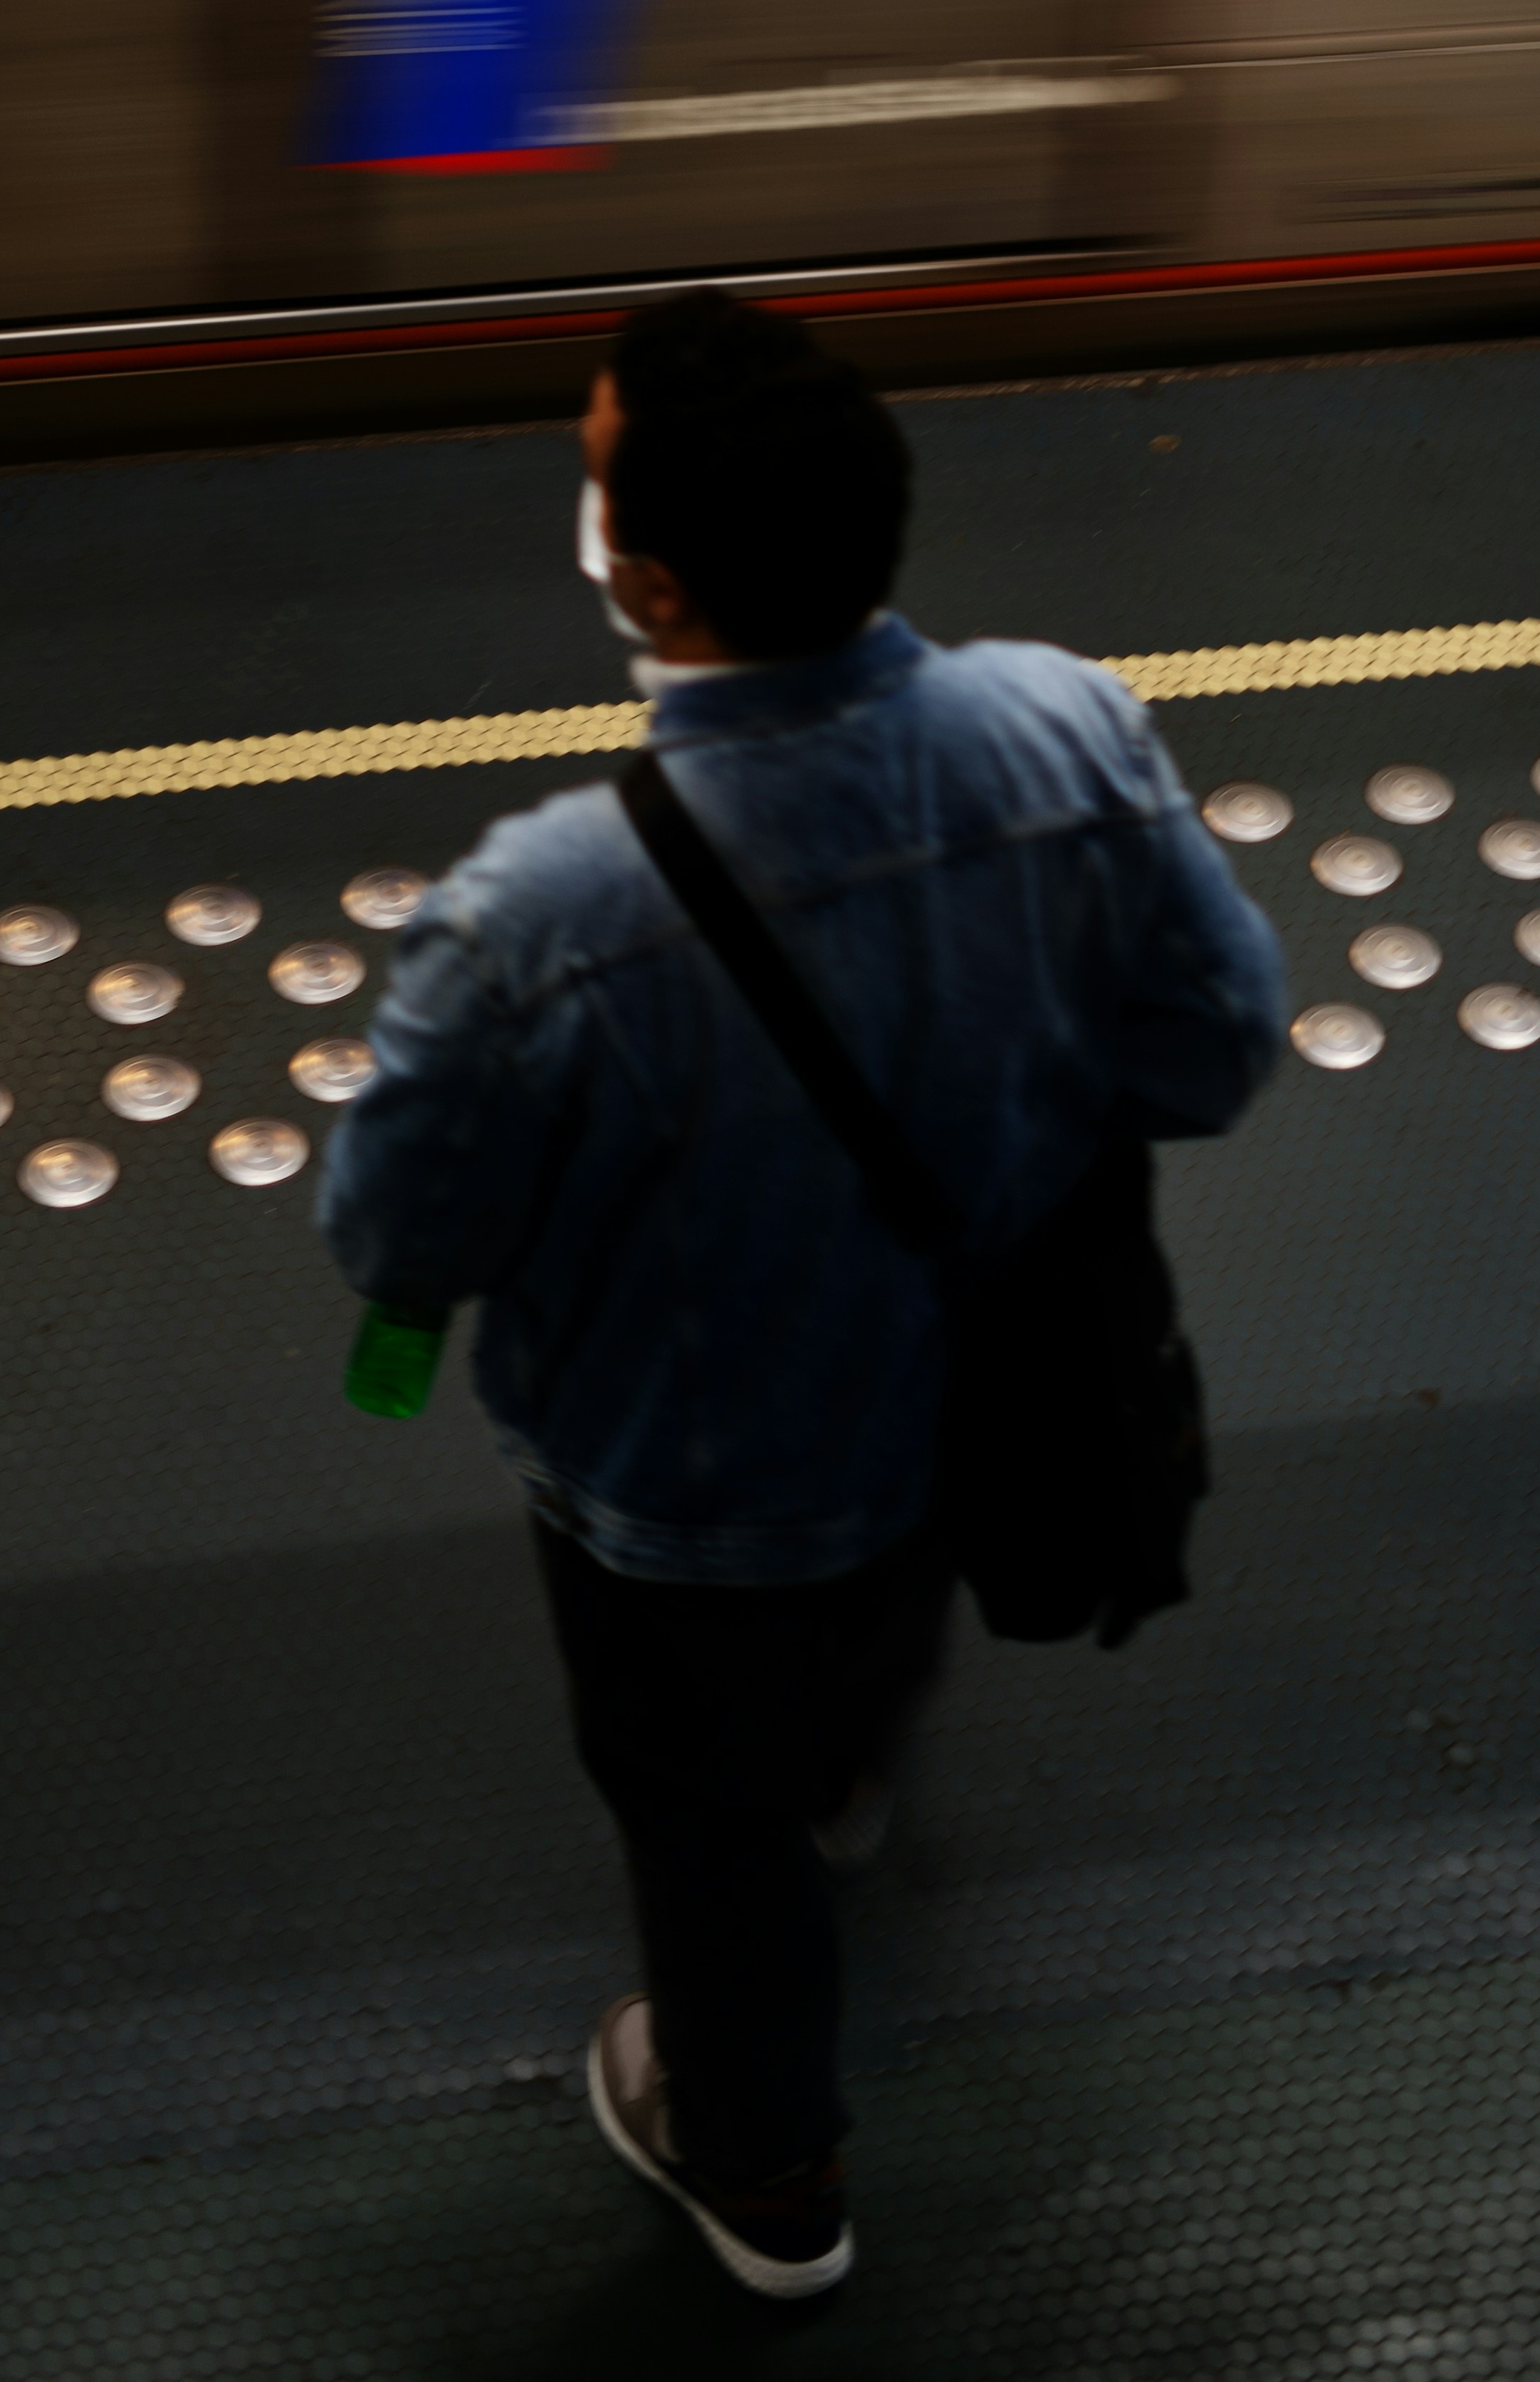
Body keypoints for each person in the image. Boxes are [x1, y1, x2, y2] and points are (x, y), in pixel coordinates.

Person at [318, 288, 1285, 2300]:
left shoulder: (536, 917)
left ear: (653, 585)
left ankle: (763, 2173)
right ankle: (847, 1767)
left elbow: (402, 1237)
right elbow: (1213, 1048)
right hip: (983, 1388)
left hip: (686, 1491)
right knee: (872, 1631)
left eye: (596, 484)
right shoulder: (1069, 727)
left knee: (697, 1814)